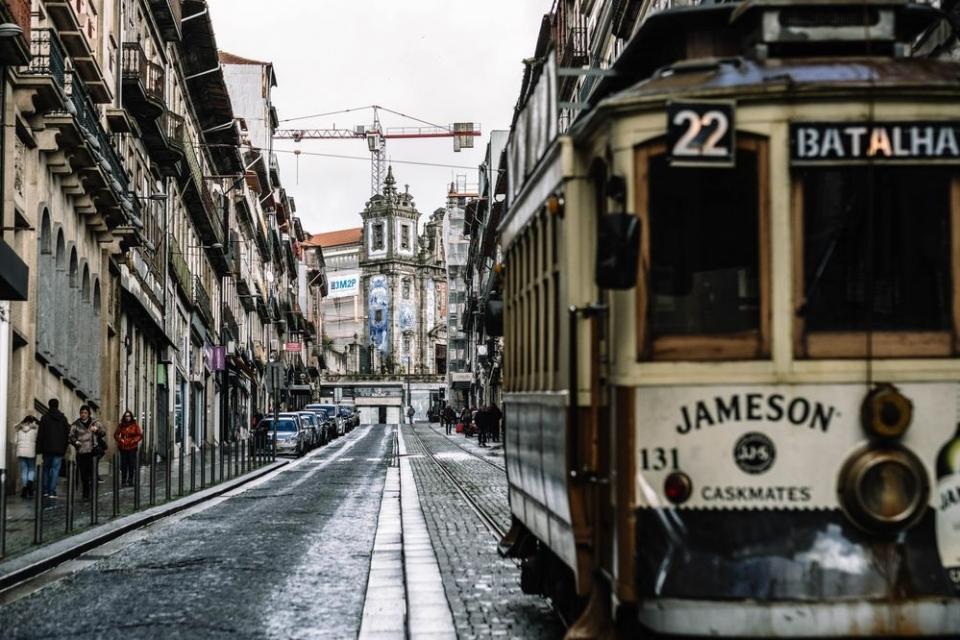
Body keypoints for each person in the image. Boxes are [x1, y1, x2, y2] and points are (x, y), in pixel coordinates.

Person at [37, 398, 70, 498]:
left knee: (46, 469)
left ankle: (45, 490)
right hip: (59, 450)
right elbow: (67, 435)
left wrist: (39, 449)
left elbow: (40, 435)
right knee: (55, 470)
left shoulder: (44, 418)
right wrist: (64, 448)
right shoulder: (63, 419)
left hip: (47, 449)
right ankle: (52, 491)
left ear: (49, 405)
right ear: (57, 405)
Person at [69, 405, 103, 500]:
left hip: (92, 451)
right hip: (81, 452)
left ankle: (94, 492)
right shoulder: (75, 424)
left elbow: (103, 432)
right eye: (82, 413)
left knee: (93, 473)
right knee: (84, 474)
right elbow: (71, 436)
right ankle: (85, 493)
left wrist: (97, 430)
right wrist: (75, 442)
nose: (83, 414)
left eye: (85, 413)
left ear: (88, 414)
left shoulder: (95, 423)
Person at [114, 410, 143, 487]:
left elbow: (139, 435)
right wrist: (120, 440)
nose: (127, 417)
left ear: (131, 417)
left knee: (131, 464)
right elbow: (116, 434)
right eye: (126, 416)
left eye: (129, 416)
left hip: (132, 447)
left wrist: (133, 440)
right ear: (124, 417)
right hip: (123, 447)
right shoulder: (121, 425)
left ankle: (130, 479)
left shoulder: (135, 425)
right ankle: (123, 480)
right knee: (124, 464)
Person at [15, 415, 38, 499]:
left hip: (21, 452)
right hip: (31, 451)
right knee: (31, 469)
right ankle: (30, 485)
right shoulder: (35, 429)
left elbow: (15, 440)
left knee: (24, 470)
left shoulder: (19, 429)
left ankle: (24, 488)